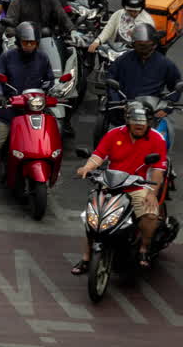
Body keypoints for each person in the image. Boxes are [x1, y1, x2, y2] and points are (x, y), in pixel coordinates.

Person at [72, 102, 168, 274]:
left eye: (143, 120)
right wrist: (87, 168)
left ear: (149, 122)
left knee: (151, 215)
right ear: (128, 120)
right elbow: (98, 156)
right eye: (135, 120)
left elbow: (157, 170)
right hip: (111, 184)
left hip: (139, 186)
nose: (139, 124)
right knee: (92, 218)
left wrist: (152, 194)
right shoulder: (113, 134)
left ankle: (144, 249)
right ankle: (86, 258)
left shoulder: (157, 139)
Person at [0, 21, 53, 201]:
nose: (29, 46)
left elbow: (49, 79)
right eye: (26, 42)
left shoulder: (43, 58)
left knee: (51, 137)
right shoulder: (8, 57)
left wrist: (50, 87)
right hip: (10, 111)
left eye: (33, 43)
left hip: (34, 112)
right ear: (19, 42)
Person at [7, 0, 73, 78]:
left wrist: (72, 30)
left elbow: (61, 15)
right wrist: (12, 35)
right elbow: (10, 21)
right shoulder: (17, 1)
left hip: (47, 40)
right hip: (25, 42)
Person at [106, 22, 182, 106]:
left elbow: (176, 87)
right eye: (140, 46)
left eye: (148, 46)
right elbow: (111, 81)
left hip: (151, 110)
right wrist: (116, 103)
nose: (144, 49)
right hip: (125, 108)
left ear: (154, 45)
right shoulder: (123, 60)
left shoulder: (166, 64)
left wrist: (167, 106)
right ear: (134, 44)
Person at [89, 0, 155, 54]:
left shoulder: (147, 22)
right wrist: (98, 41)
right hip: (115, 51)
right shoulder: (118, 14)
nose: (132, 13)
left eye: (135, 11)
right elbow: (109, 29)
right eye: (129, 10)